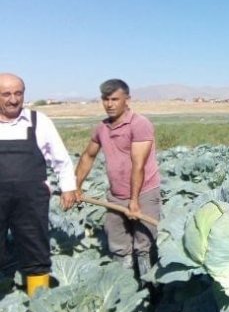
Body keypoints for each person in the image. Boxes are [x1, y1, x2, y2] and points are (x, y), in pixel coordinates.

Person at [74, 79, 161, 279]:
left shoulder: (140, 124)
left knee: (144, 245)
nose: (110, 104)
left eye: (115, 99)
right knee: (118, 244)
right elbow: (88, 156)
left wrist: (134, 201)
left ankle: (150, 292)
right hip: (115, 196)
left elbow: (138, 164)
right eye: (106, 99)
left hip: (144, 194)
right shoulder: (102, 128)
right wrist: (75, 186)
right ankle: (124, 288)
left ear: (127, 100)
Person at [0, 73, 77, 296]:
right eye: (6, 94)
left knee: (36, 252)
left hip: (31, 200)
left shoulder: (38, 121)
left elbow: (60, 158)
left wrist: (68, 187)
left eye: (18, 93)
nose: (13, 99)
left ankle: (40, 306)